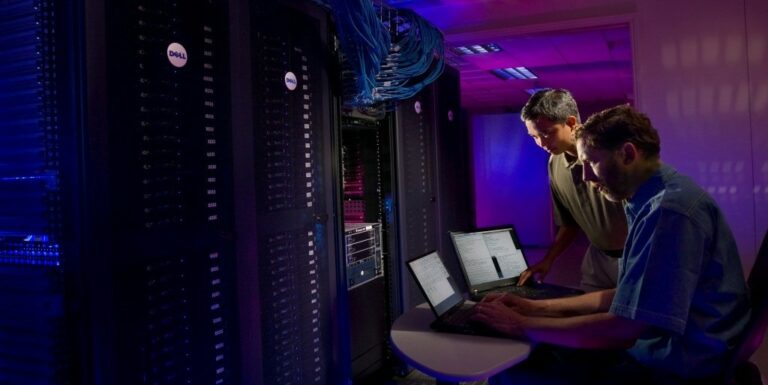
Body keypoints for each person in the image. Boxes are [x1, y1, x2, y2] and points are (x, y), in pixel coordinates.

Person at [472, 104, 751, 384]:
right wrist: (535, 308)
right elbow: (631, 296)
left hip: (677, 364)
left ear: (627, 154)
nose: (586, 178)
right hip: (677, 349)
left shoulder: (668, 212)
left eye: (591, 163)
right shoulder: (655, 196)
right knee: (545, 346)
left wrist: (520, 324)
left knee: (514, 370)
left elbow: (624, 329)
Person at [518, 89, 627, 291]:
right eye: (534, 137)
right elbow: (569, 223)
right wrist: (548, 260)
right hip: (597, 257)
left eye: (547, 133)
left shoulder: (610, 154)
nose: (541, 143)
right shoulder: (554, 164)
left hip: (634, 256)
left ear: (570, 123)